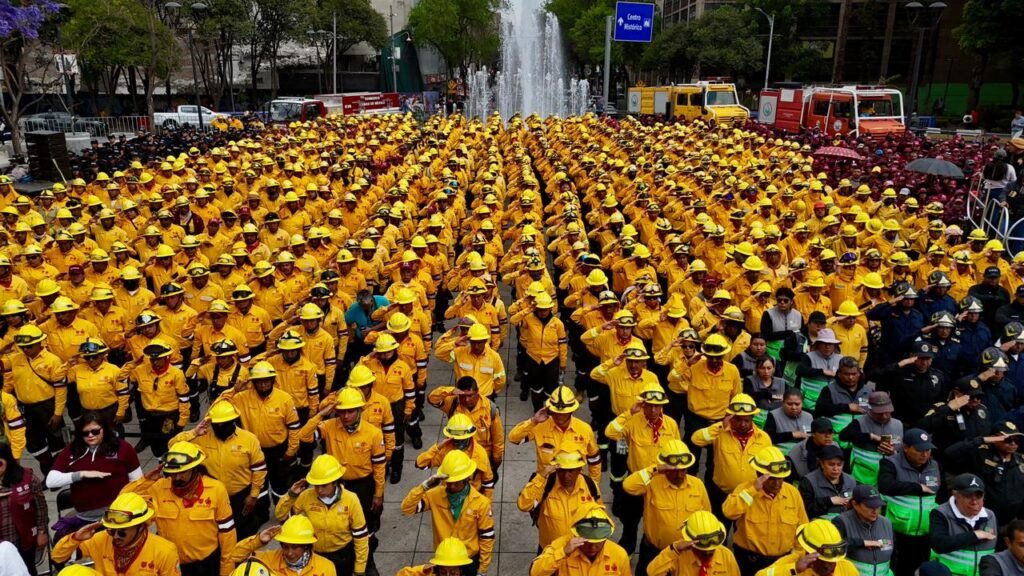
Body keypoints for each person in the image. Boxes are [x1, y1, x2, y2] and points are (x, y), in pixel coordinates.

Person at [122, 441, 237, 576]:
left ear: (195, 468)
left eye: (182, 472)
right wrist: (146, 480)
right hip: (171, 565)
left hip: (206, 564)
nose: (177, 477)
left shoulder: (216, 489)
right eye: (173, 473)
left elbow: (227, 532)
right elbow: (124, 500)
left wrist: (227, 569)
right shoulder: (159, 488)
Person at [169, 400, 267, 540]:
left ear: (234, 420)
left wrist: (253, 495)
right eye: (218, 424)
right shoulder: (200, 437)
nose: (221, 426)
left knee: (242, 531)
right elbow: (172, 446)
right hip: (210, 496)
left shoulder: (249, 440)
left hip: (239, 496)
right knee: (214, 531)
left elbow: (259, 469)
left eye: (225, 423)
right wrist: (193, 433)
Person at [604, 381, 681, 554]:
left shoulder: (671, 425)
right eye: (649, 406)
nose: (653, 410)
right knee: (631, 521)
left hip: (661, 482)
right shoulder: (632, 421)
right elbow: (610, 432)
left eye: (657, 406)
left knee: (658, 521)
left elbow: (677, 452)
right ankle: (628, 550)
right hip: (638, 480)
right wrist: (629, 412)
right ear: (643, 404)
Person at [47, 412, 142, 538]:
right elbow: (50, 481)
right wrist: (81, 474)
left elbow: (138, 482)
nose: (90, 435)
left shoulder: (123, 448)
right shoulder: (72, 450)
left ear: (104, 430)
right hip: (85, 519)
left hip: (118, 517)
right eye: (85, 433)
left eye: (95, 431)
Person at [623, 439, 710, 576]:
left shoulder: (698, 485)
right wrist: (655, 468)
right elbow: (628, 486)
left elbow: (706, 516)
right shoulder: (652, 483)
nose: (679, 475)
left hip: (685, 554)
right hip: (653, 552)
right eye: (674, 471)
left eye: (683, 470)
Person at [400, 450, 494, 576]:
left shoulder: (482, 503)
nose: (452, 486)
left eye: (456, 482)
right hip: (444, 560)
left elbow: (486, 537)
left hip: (468, 560)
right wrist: (423, 487)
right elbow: (407, 509)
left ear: (466, 478)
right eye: (449, 482)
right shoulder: (434, 495)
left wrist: (483, 568)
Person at [275, 454, 369, 576]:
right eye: (316, 485)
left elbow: (361, 536)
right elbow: (281, 516)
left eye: (324, 485)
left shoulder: (351, 500)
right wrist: (291, 496)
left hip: (342, 557)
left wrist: (359, 569)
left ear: (334, 482)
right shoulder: (306, 496)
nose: (319, 490)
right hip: (314, 556)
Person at [724, 445, 809, 574]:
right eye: (772, 479)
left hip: (783, 561)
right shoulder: (744, 490)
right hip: (749, 562)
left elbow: (802, 528)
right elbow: (729, 512)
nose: (777, 483)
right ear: (759, 474)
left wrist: (797, 555)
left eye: (780, 478)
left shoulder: (792, 493)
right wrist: (753, 491)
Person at [51, 492, 180, 575]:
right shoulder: (101, 539)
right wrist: (75, 538)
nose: (116, 536)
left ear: (140, 527)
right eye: (112, 530)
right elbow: (58, 557)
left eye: (122, 532)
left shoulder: (165, 551)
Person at [692, 393, 773, 516]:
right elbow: (696, 439)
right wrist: (720, 426)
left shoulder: (764, 438)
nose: (742, 424)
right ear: (731, 417)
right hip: (721, 493)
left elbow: (769, 466)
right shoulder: (719, 433)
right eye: (738, 419)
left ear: (752, 417)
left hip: (750, 495)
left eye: (746, 420)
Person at [1, 324, 67, 473]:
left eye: (29, 346)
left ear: (40, 343)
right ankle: (48, 469)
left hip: (48, 406)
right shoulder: (16, 359)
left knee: (57, 442)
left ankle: (60, 473)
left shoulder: (53, 361)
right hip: (25, 407)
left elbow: (61, 390)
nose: (25, 350)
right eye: (23, 347)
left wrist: (58, 413)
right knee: (33, 443)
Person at [879, 428, 942, 575]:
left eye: (928, 450)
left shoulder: (935, 466)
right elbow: (885, 485)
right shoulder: (890, 463)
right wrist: (917, 487)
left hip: (925, 533)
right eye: (920, 450)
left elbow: (941, 495)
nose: (925, 454)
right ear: (906, 448)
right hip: (898, 532)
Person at [509, 385, 602, 484]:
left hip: (573, 485)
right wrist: (533, 421)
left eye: (563, 413)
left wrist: (593, 485)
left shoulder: (585, 429)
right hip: (545, 484)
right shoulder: (540, 426)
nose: (559, 416)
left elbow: (594, 460)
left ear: (571, 411)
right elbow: (514, 438)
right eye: (556, 412)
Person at [517, 451, 602, 551]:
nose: (566, 476)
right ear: (556, 469)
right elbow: (523, 505)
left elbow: (601, 517)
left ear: (579, 470)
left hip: (580, 553)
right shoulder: (546, 484)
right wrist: (541, 476)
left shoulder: (590, 486)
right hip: (550, 552)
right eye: (562, 470)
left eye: (571, 470)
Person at [946, 421, 1024, 526]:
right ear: (994, 438)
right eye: (1008, 439)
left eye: (1016, 440)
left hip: (1012, 521)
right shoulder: (981, 454)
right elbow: (950, 453)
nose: (1013, 443)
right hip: (983, 517)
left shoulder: (1021, 460)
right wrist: (983, 439)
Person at [529, 504, 631, 576]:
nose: (592, 547)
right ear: (576, 534)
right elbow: (535, 573)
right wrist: (562, 553)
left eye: (597, 542)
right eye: (587, 542)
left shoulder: (619, 555)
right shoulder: (560, 546)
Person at [930, 473, 998, 576]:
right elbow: (939, 544)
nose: (974, 502)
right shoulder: (940, 513)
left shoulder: (990, 515)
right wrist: (974, 535)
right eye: (968, 496)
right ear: (956, 495)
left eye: (979, 496)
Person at [229, 515, 337, 576]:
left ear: (306, 546)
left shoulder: (326, 567)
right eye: (285, 546)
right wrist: (259, 541)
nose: (289, 553)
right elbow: (235, 556)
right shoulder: (268, 560)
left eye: (295, 547)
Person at [0, 442, 47, 575]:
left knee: (28, 570)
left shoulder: (27, 478)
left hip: (24, 542)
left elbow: (41, 507)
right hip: (0, 548)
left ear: (8, 461)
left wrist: (42, 531)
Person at [839, 390, 904, 487]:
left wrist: (893, 453)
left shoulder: (898, 425)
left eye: (887, 412)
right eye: (879, 413)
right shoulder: (860, 422)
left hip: (887, 476)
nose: (884, 416)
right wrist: (870, 436)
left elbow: (901, 450)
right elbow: (843, 436)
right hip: (861, 477)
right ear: (870, 409)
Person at [646, 510, 738, 576]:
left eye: (712, 549)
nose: (708, 552)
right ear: (691, 542)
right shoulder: (678, 556)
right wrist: (674, 550)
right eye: (702, 549)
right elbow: (652, 572)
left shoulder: (727, 556)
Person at [754, 519, 859, 576]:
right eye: (822, 561)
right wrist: (793, 569)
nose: (828, 566)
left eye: (832, 562)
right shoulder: (791, 564)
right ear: (808, 553)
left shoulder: (848, 569)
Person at [833, 485, 896, 576]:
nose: (875, 511)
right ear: (855, 504)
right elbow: (833, 547)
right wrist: (863, 543)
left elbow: (894, 556)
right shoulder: (841, 522)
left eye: (878, 506)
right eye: (870, 506)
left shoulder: (887, 523)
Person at [799, 444, 857, 520]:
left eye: (839, 465)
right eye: (831, 464)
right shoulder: (808, 481)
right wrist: (829, 501)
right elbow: (804, 510)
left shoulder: (851, 480)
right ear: (822, 464)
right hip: (820, 528)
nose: (836, 469)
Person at [397, 537, 476, 576]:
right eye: (443, 572)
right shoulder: (431, 574)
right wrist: (421, 570)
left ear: (461, 570)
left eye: (453, 573)